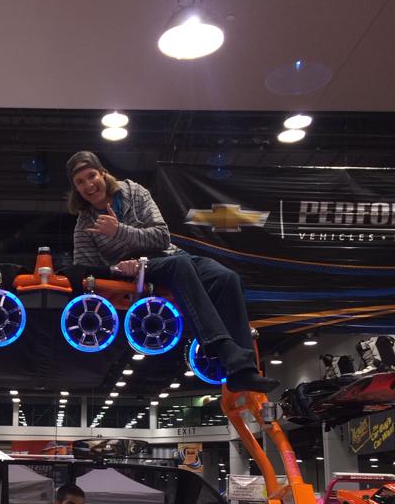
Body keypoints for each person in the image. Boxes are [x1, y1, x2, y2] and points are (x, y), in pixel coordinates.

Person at [65, 151, 278, 393]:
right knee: (180, 266)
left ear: (103, 174)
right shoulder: (84, 225)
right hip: (137, 269)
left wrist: (119, 232)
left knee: (227, 278)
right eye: (79, 182)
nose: (88, 185)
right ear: (75, 189)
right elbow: (85, 270)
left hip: (170, 254)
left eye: (91, 176)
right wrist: (116, 268)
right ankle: (225, 351)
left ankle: (244, 372)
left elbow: (162, 236)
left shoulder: (135, 192)